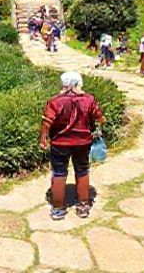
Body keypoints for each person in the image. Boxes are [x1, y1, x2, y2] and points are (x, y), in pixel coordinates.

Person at [39, 71, 106, 220]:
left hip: (60, 143)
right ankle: (83, 206)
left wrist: (42, 140)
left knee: (59, 173)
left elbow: (46, 123)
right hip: (83, 142)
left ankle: (58, 209)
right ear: (77, 84)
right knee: (82, 171)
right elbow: (101, 119)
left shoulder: (55, 101)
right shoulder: (89, 99)